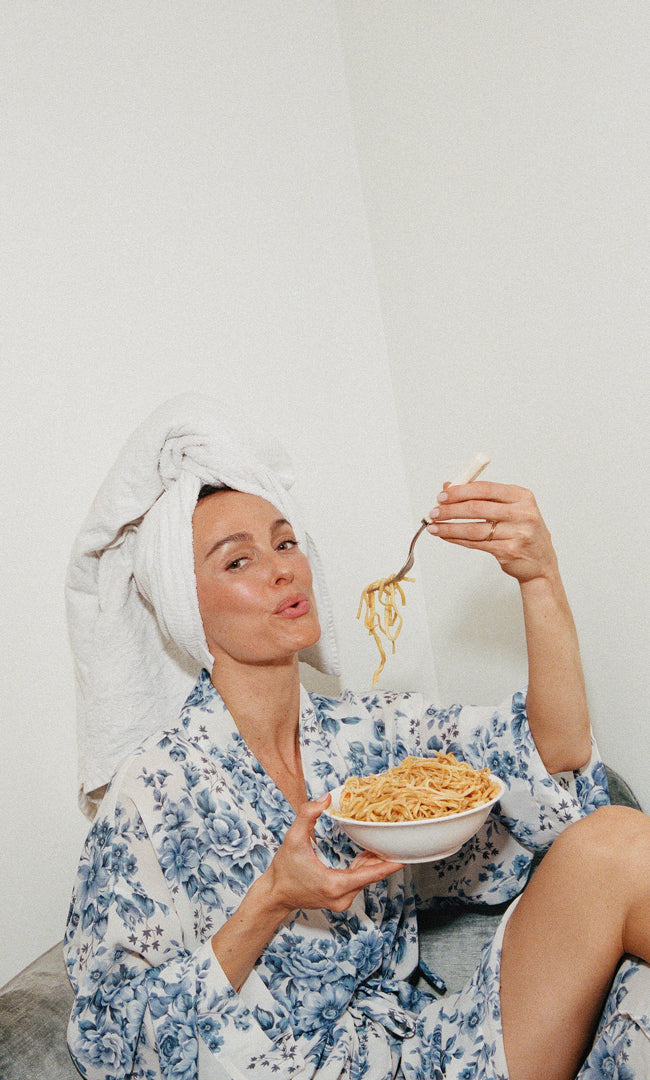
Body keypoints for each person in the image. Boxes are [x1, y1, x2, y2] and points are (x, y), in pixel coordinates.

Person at [64, 395, 650, 1080]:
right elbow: (112, 1040)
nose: (282, 568)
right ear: (185, 607)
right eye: (237, 561)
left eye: (285, 542)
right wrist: (272, 898)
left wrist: (539, 577)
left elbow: (552, 754)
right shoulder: (150, 795)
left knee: (614, 850)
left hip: (419, 1056)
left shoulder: (364, 739)